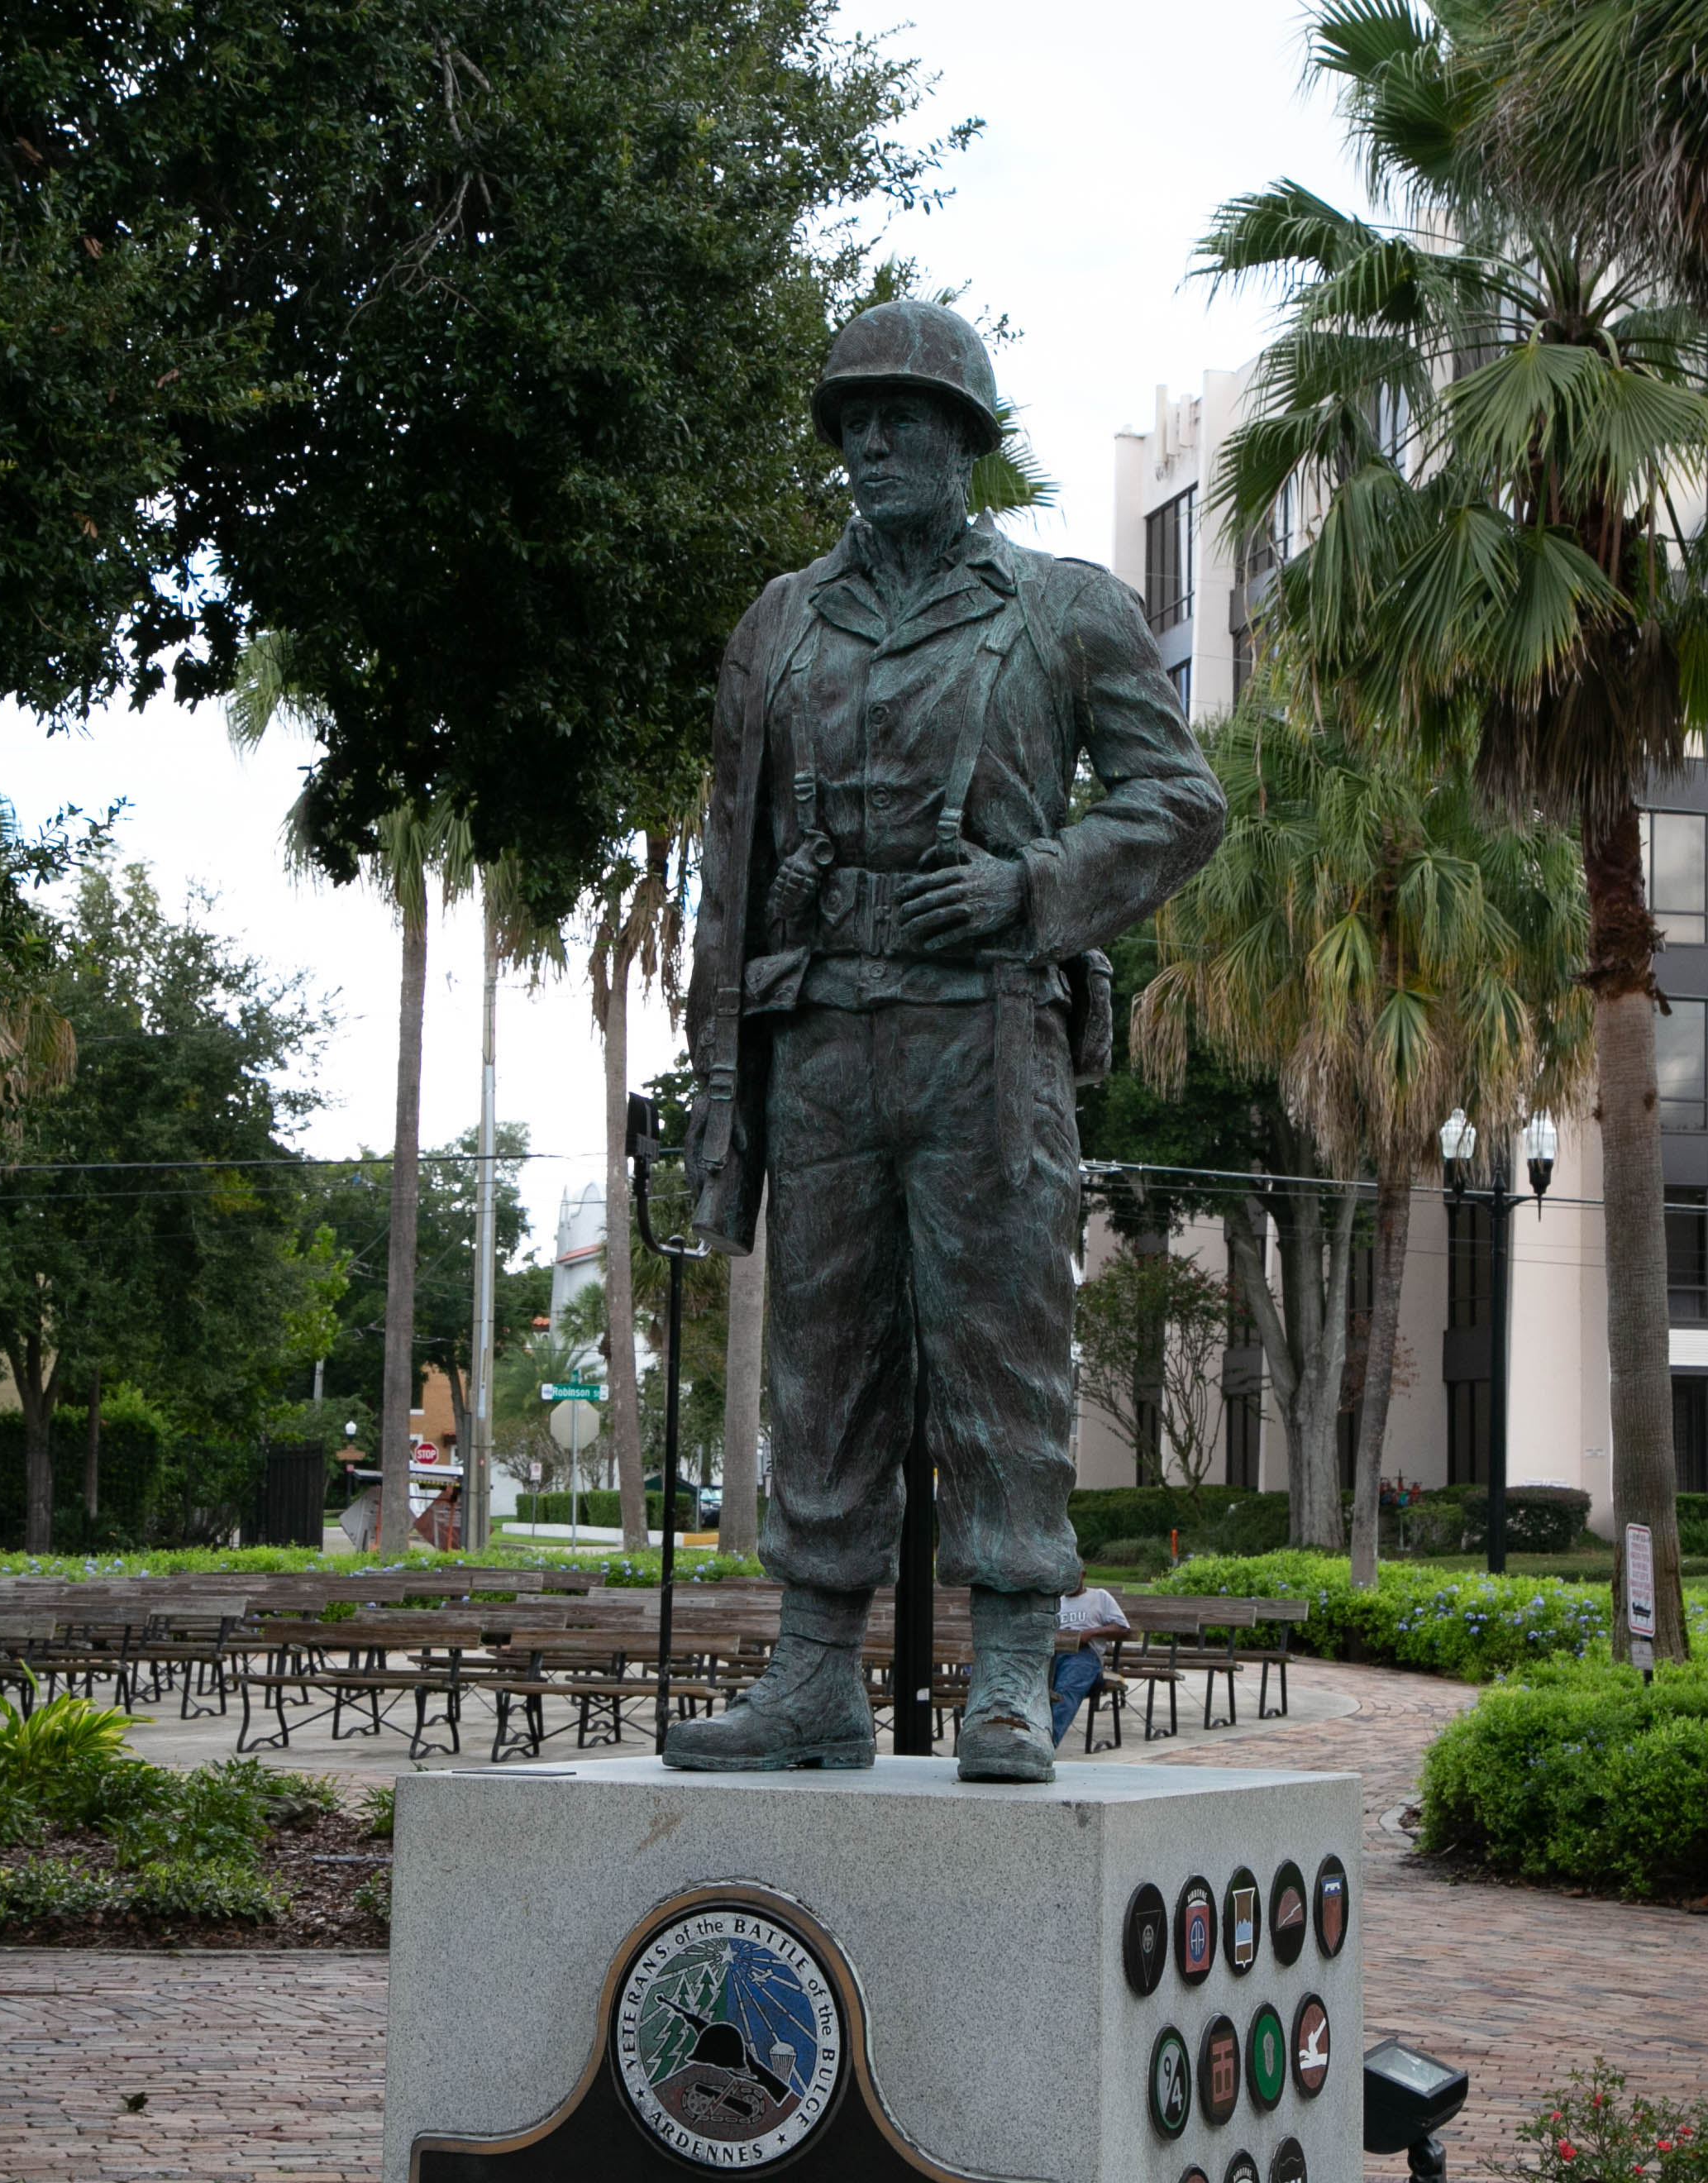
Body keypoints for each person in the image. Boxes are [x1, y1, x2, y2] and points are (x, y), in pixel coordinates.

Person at [666, 298, 1224, 1783]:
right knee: (824, 1359)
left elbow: (1180, 800)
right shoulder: (779, 623)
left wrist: (1033, 890)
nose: (878, 444)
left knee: (1002, 1347)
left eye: (910, 417)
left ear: (967, 439)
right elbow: (729, 865)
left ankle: (1013, 1667)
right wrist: (722, 1085)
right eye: (858, 419)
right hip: (825, 1041)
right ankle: (811, 1674)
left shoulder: (1062, 607)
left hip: (987, 1035)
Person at [1049, 1584, 1133, 1746]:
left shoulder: (1099, 1596)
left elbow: (1123, 1628)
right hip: (1053, 1653)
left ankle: (1047, 1743)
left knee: (1066, 1690)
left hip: (1085, 1656)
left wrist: (1091, 1632)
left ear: (1083, 1575)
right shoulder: (1055, 1600)